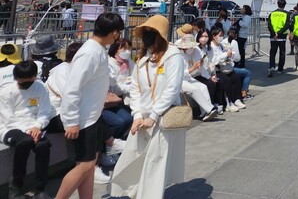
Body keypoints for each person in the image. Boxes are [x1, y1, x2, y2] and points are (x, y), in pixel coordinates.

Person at [110, 14, 187, 199]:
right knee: (132, 158)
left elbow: (172, 88)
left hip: (161, 118)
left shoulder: (173, 56)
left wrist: (153, 115)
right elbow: (135, 87)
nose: (146, 36)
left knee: (155, 163)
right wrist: (137, 115)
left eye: (151, 32)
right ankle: (133, 192)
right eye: (144, 32)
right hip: (141, 119)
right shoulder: (143, 58)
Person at [54, 12, 123, 199]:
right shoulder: (90, 52)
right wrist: (72, 121)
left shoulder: (97, 49)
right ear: (114, 33)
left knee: (89, 165)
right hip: (83, 119)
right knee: (84, 165)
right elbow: (72, 88)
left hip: (91, 116)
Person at [0, 60, 52, 199]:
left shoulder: (41, 88)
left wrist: (38, 126)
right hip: (10, 127)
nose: (25, 85)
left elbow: (45, 111)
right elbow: (8, 118)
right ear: (15, 78)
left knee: (43, 145)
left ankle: (40, 188)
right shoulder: (6, 92)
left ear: (35, 76)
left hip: (34, 126)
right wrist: (30, 130)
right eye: (21, 82)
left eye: (28, 81)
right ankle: (16, 186)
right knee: (26, 142)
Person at [175, 33, 218, 122]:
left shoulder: (189, 53)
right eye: (191, 47)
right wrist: (192, 68)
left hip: (188, 78)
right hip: (178, 80)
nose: (193, 49)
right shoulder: (177, 55)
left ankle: (205, 112)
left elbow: (194, 71)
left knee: (203, 87)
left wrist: (197, 67)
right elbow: (178, 74)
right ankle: (210, 109)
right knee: (194, 89)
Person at [267, 0, 290, 77]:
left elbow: (269, 25)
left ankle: (272, 66)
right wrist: (279, 33)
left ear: (277, 4)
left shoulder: (272, 13)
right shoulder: (286, 14)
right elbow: (287, 25)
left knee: (272, 52)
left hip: (273, 36)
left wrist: (274, 33)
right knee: (282, 52)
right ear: (284, 5)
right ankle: (280, 69)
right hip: (282, 36)